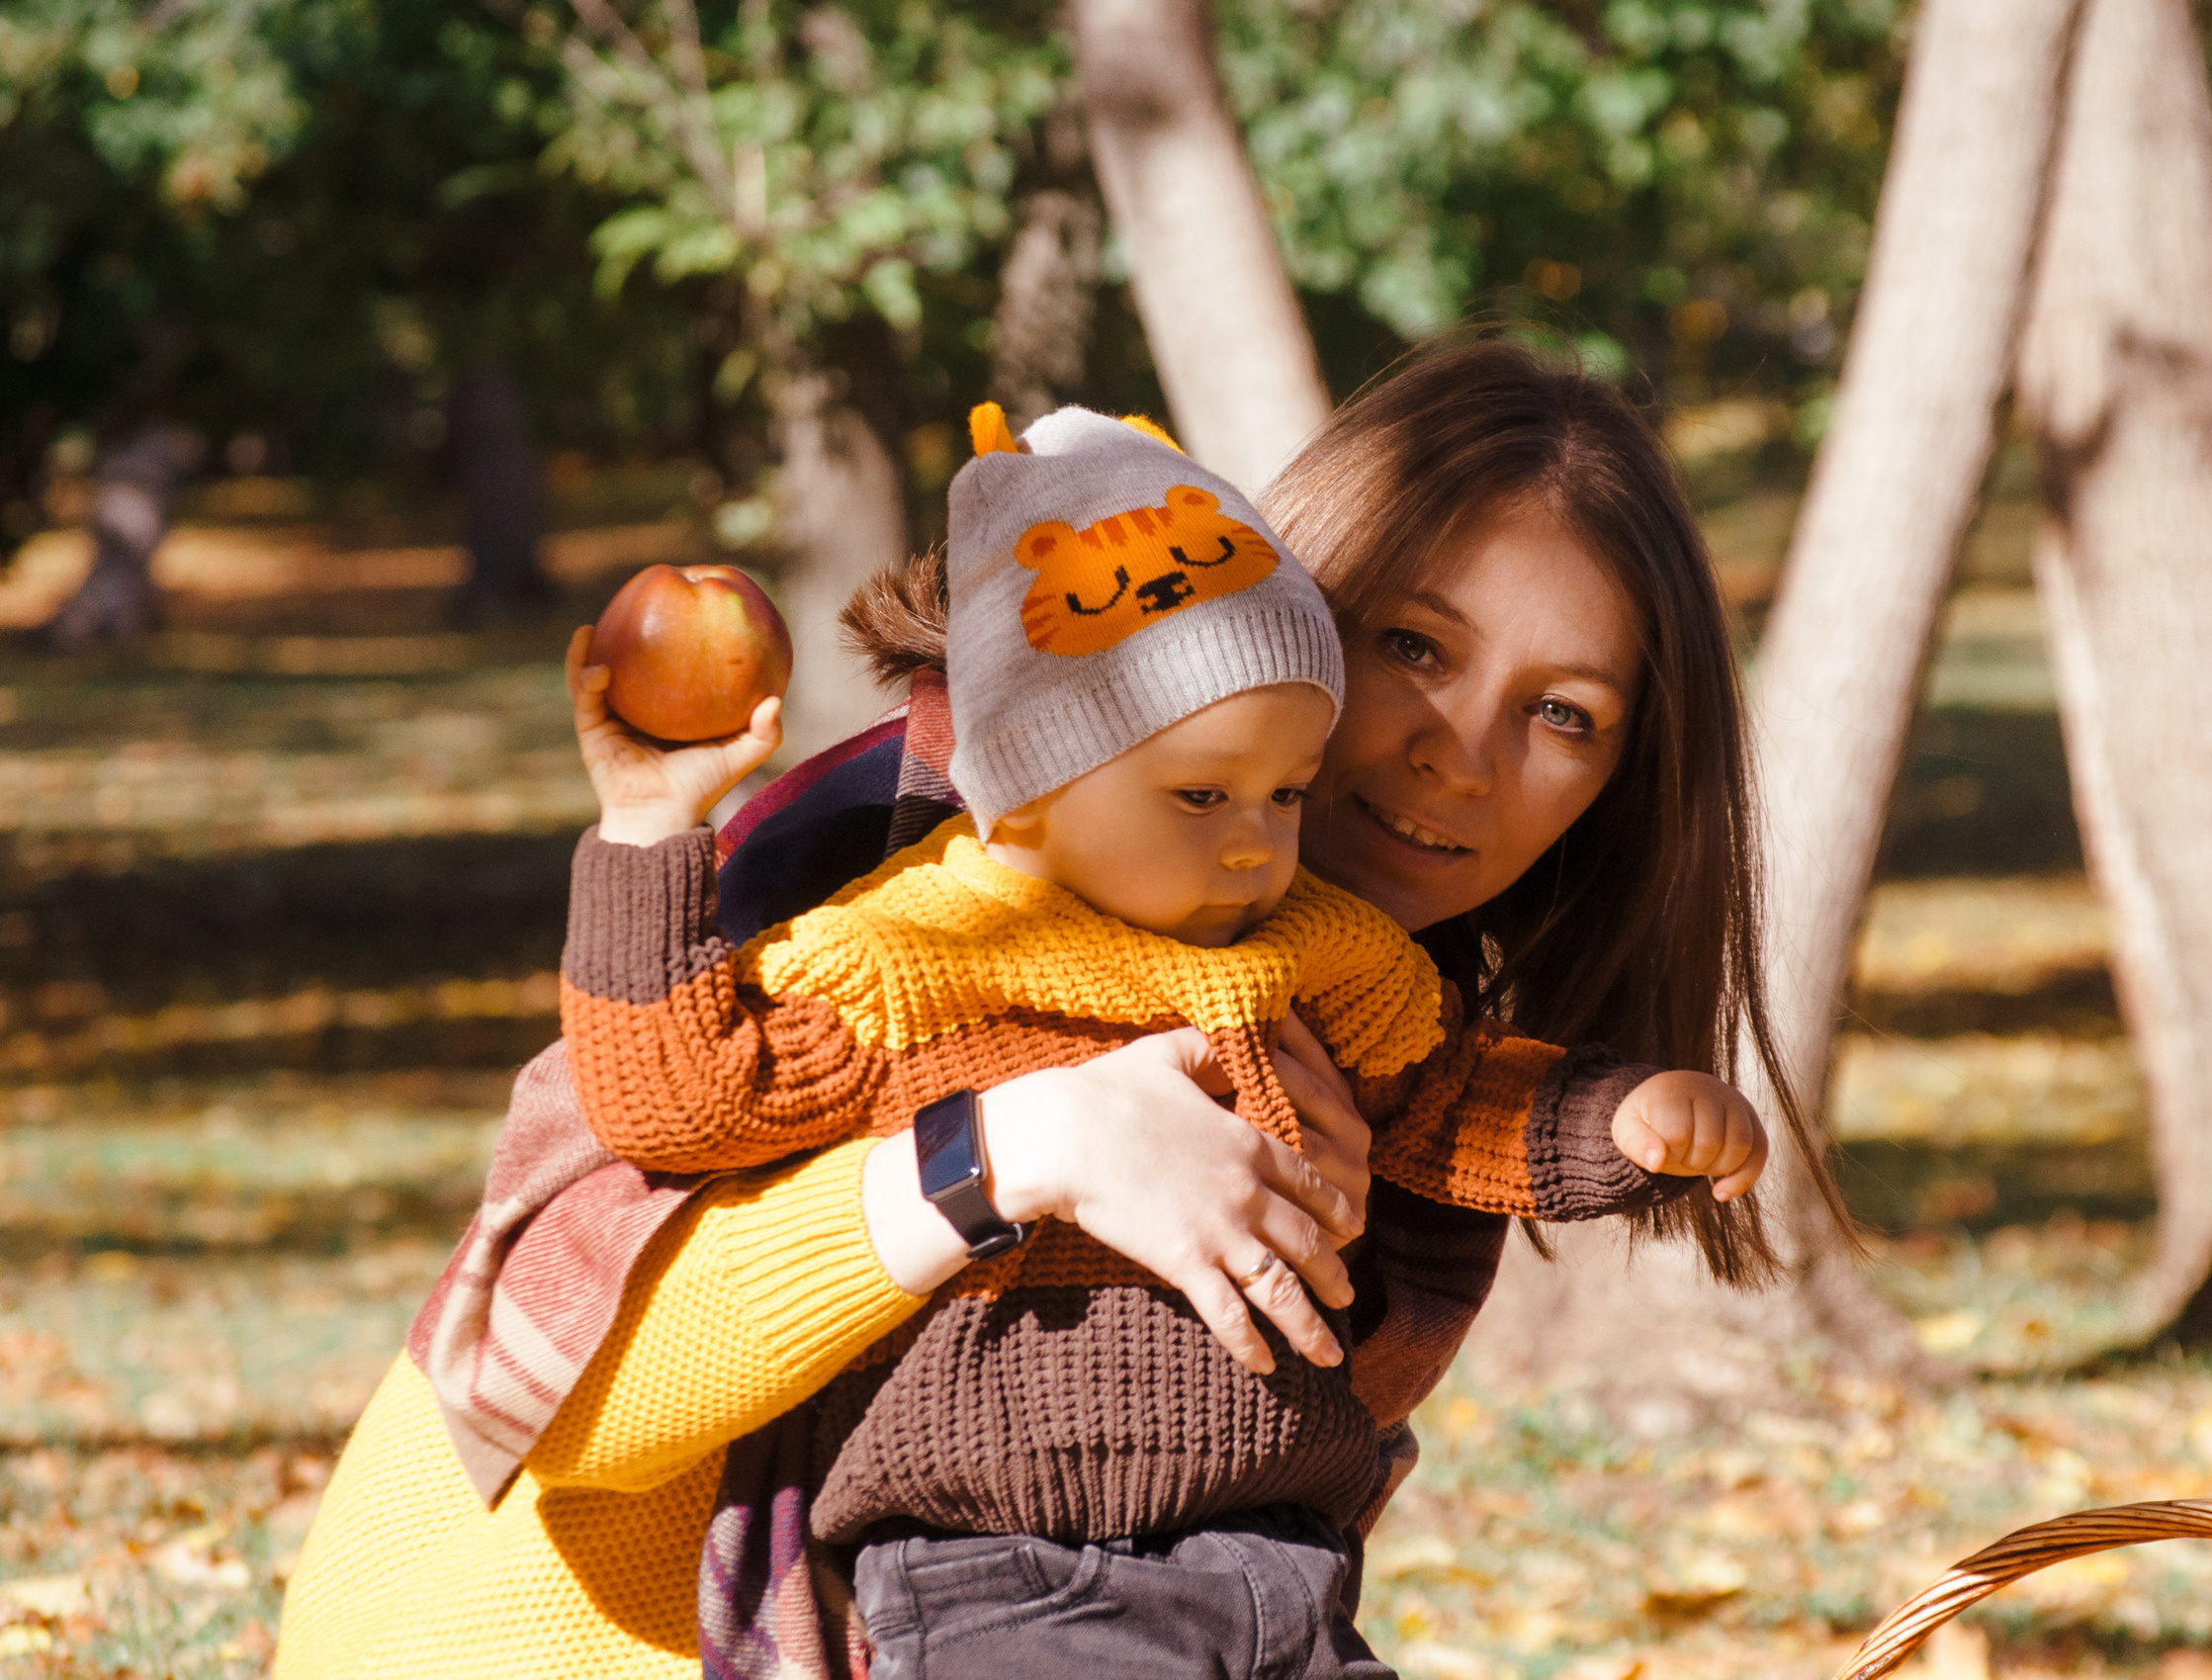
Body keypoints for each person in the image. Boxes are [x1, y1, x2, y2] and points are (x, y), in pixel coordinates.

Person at [274, 339, 1854, 1680]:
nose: (1462, 754)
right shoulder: (911, 869)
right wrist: (1028, 1146)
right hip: (539, 1632)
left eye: (1562, 714)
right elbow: (584, 1420)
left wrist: (1620, 1123)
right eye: (1411, 646)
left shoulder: (1366, 1006)